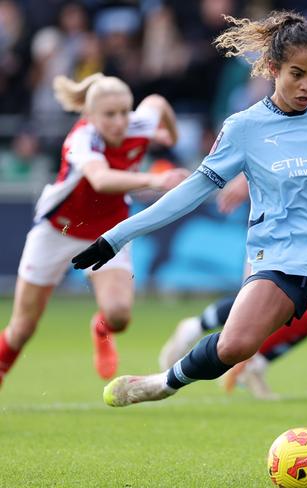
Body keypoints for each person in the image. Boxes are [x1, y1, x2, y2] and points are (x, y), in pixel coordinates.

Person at [71, 12, 307, 488]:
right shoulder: (244, 128)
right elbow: (190, 192)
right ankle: (162, 384)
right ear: (272, 69)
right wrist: (118, 234)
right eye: (297, 74)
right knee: (234, 346)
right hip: (281, 260)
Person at [157, 68, 307, 399]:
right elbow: (275, 149)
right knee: (271, 302)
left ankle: (255, 363)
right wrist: (243, 181)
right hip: (285, 226)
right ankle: (201, 330)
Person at [0, 73, 187, 388]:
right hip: (57, 231)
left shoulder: (138, 124)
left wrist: (171, 135)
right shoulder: (81, 139)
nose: (119, 122)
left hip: (109, 231)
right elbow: (100, 179)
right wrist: (154, 180)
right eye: (109, 115)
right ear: (90, 116)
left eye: (124, 113)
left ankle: (101, 330)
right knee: (22, 328)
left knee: (119, 315)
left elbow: (158, 103)